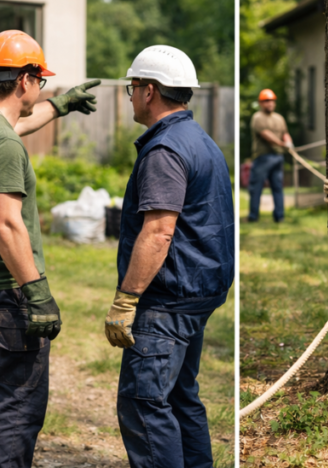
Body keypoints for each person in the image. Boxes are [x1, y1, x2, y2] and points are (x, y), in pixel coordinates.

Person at [0, 30, 99, 467]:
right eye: (40, 81)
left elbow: (18, 123)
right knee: (14, 408)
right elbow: (5, 224)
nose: (41, 89)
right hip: (7, 295)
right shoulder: (1, 143)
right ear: (24, 80)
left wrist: (59, 106)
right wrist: (36, 292)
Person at [105, 45, 234, 468]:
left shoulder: (165, 151)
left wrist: (126, 299)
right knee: (180, 398)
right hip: (196, 294)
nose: (129, 95)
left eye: (132, 87)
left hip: (167, 302)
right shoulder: (200, 140)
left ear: (150, 90)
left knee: (144, 403)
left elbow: (159, 232)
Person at [246, 89, 292, 223]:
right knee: (256, 188)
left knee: (277, 188)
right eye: (266, 101)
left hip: (277, 157)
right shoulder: (258, 117)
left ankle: (279, 216)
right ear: (260, 103)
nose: (270, 103)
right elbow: (266, 135)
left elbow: (285, 132)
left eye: (271, 100)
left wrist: (288, 141)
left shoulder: (279, 118)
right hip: (263, 157)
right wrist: (282, 144)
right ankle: (253, 216)